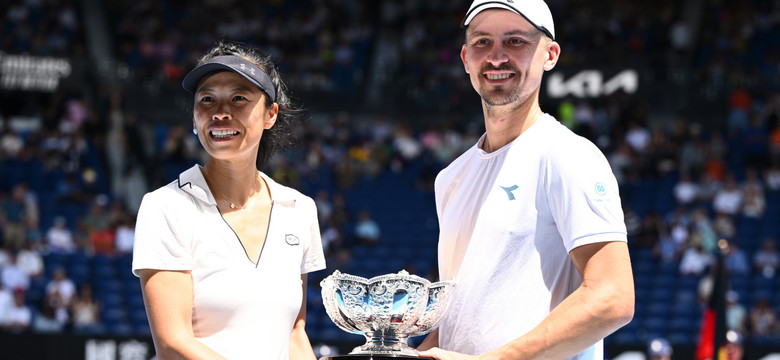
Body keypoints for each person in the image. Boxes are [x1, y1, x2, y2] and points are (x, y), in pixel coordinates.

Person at [417, 1, 634, 359]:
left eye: (515, 42)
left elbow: (613, 298)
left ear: (550, 55)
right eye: (482, 42)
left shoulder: (567, 155)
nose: (497, 57)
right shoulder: (450, 177)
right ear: (465, 58)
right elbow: (461, 318)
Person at [132, 40, 325, 360]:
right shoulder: (164, 206)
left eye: (238, 99)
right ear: (194, 119)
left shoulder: (300, 209)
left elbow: (293, 334)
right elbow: (173, 344)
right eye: (207, 100)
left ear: (270, 114)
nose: (220, 113)